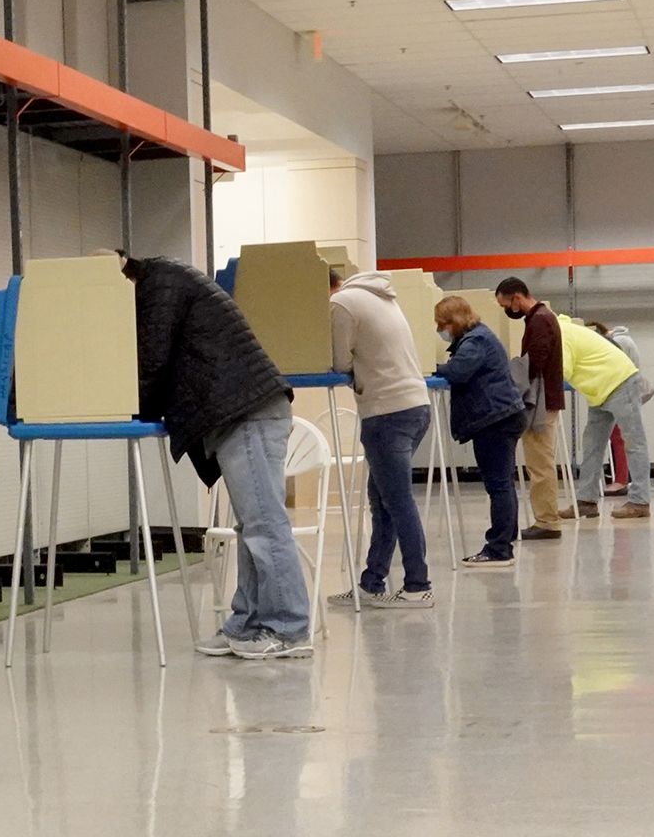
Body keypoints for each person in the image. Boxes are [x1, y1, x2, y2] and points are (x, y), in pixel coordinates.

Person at [125, 251, 310, 660]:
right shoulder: (168, 279)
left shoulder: (158, 285)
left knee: (265, 525)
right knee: (253, 527)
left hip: (247, 413)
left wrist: (123, 404)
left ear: (124, 275)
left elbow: (152, 361)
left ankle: (289, 628)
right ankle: (245, 624)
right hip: (242, 411)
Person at [327, 268, 433, 608]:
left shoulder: (342, 304)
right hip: (415, 408)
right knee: (384, 500)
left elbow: (339, 361)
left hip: (386, 413)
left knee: (397, 502)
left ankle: (418, 586)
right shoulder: (380, 297)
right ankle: (372, 582)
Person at [434, 295, 527, 567]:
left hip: (494, 420)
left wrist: (429, 368)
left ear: (455, 321)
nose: (440, 330)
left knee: (497, 485)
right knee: (503, 484)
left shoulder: (475, 341)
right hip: (504, 415)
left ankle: (499, 549)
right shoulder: (479, 336)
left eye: (442, 324)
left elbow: (458, 372)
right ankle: (506, 538)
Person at [558, 314, 653, 521]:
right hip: (598, 391)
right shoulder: (562, 331)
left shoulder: (561, 334)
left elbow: (562, 372)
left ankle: (640, 501)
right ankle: (587, 501)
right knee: (592, 444)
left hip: (620, 383)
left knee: (634, 442)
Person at [494, 278, 566, 539]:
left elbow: (534, 363)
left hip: (541, 402)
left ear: (516, 298)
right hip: (546, 399)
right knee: (540, 462)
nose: (507, 311)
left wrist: (511, 377)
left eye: (506, 304)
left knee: (540, 465)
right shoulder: (542, 317)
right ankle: (546, 519)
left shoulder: (540, 320)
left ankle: (547, 521)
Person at [586, 320, 646, 496]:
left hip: (618, 391)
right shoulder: (623, 339)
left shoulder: (618, 343)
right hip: (623, 391)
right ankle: (623, 480)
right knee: (624, 438)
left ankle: (621, 480)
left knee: (622, 439)